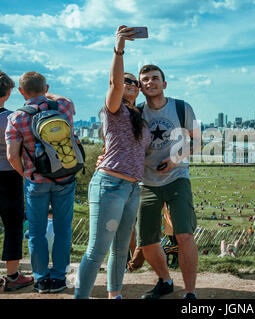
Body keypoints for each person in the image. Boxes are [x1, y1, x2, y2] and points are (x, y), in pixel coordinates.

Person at [74, 26, 151, 299]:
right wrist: (119, 48)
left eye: (136, 84)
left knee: (121, 250)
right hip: (110, 184)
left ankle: (115, 295)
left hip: (132, 189)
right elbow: (115, 84)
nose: (132, 85)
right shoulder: (114, 108)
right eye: (129, 81)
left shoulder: (139, 117)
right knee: (97, 250)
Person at [6, 71, 76, 294]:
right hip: (65, 177)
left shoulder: (16, 117)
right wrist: (47, 93)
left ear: (20, 92)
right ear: (46, 88)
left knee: (36, 232)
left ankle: (41, 279)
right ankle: (58, 278)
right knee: (63, 229)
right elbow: (65, 99)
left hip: (35, 180)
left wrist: (27, 174)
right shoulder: (63, 106)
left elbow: (11, 155)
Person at [135, 62, 201, 300]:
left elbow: (197, 141)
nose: (150, 82)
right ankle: (165, 280)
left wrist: (174, 161)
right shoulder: (137, 112)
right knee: (147, 241)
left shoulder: (182, 108)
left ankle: (190, 292)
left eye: (155, 78)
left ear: (164, 83)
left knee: (184, 235)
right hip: (146, 181)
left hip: (177, 177)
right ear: (141, 87)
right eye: (145, 80)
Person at [0, 70, 34, 292]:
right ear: (9, 92)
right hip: (9, 175)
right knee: (12, 225)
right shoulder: (12, 118)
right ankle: (12, 277)